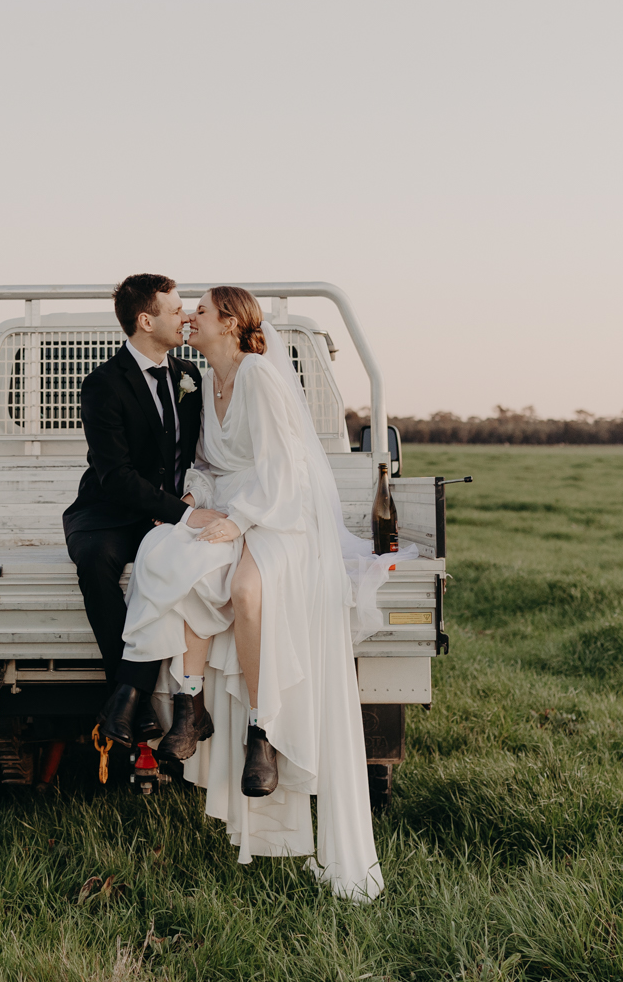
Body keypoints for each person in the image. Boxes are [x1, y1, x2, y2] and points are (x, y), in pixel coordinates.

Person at [118, 285, 385, 902]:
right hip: (236, 508)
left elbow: (286, 472)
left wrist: (238, 523)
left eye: (202, 311)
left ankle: (262, 731)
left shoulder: (261, 374)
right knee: (178, 559)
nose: (191, 318)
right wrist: (193, 502)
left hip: (283, 517)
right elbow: (213, 466)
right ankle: (191, 706)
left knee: (242, 587)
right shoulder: (205, 383)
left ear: (233, 323)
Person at [61, 273, 215, 748]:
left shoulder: (189, 377)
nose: (184, 317)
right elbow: (115, 474)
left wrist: (185, 504)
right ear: (146, 321)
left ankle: (128, 699)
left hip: (168, 511)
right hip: (108, 509)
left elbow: (200, 455)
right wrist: (180, 514)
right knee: (96, 560)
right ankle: (134, 695)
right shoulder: (102, 384)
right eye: (175, 310)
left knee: (164, 565)